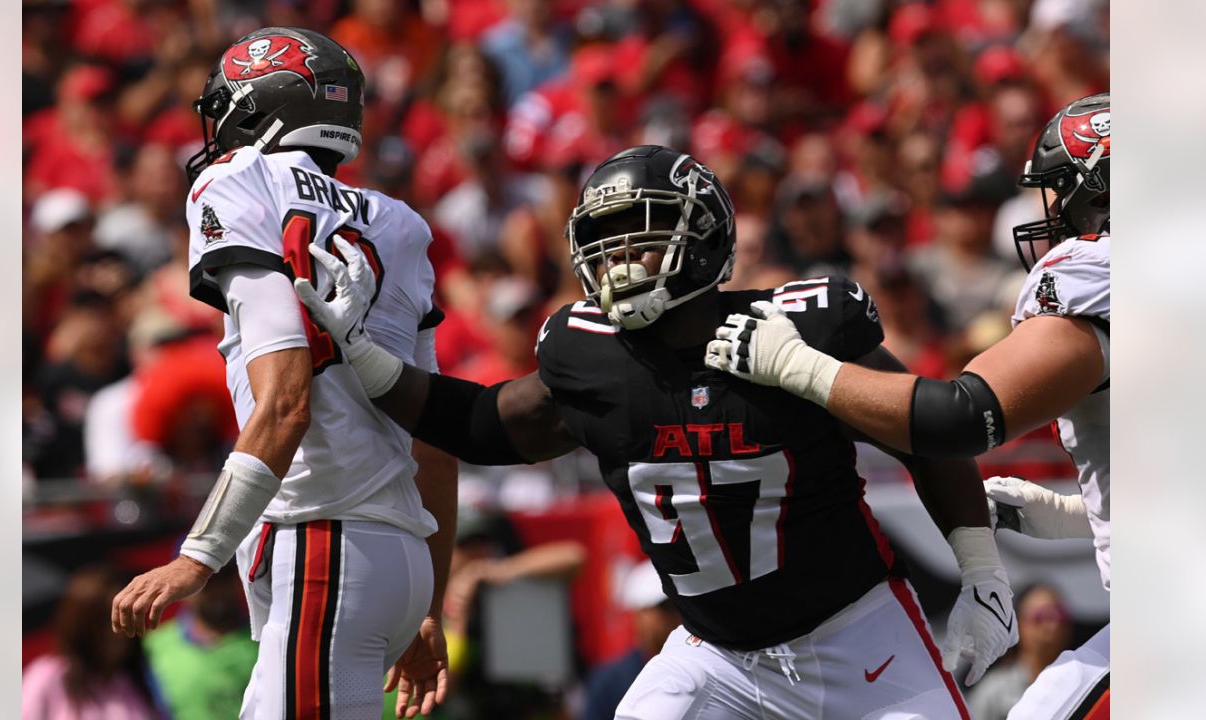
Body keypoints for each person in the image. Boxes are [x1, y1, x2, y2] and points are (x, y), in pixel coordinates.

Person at [296, 145, 1018, 718]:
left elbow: (927, 431)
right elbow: (485, 425)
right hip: (718, 655)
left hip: (859, 636)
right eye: (601, 243)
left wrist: (982, 572)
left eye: (634, 240)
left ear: (702, 238)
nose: (613, 262)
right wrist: (364, 354)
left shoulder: (796, 326)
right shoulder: (592, 357)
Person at [705, 93, 1111, 720]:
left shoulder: (1099, 286)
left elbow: (955, 418)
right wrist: (1081, 515)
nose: (1049, 213)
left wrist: (800, 367)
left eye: (1059, 191)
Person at [108, 27, 457, 720]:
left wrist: (196, 558)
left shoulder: (239, 180)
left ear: (261, 106)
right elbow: (435, 440)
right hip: (396, 554)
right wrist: (425, 601)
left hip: (323, 538)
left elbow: (287, 401)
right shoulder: (402, 222)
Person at [23, 567, 157, 719]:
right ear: (80, 622)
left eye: (126, 617)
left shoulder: (138, 681)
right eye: (105, 618)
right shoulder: (47, 677)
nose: (116, 630)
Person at [143, 563, 259, 720]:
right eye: (205, 581)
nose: (217, 590)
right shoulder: (153, 647)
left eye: (224, 577)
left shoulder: (265, 639)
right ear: (181, 587)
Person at [582, 560, 683, 720]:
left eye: (680, 607)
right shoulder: (609, 681)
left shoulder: (704, 667)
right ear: (639, 614)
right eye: (665, 607)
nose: (676, 616)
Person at [966, 584, 1074, 720]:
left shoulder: (1078, 685)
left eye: (1058, 616)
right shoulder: (994, 692)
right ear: (1019, 625)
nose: (1051, 625)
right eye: (1040, 616)